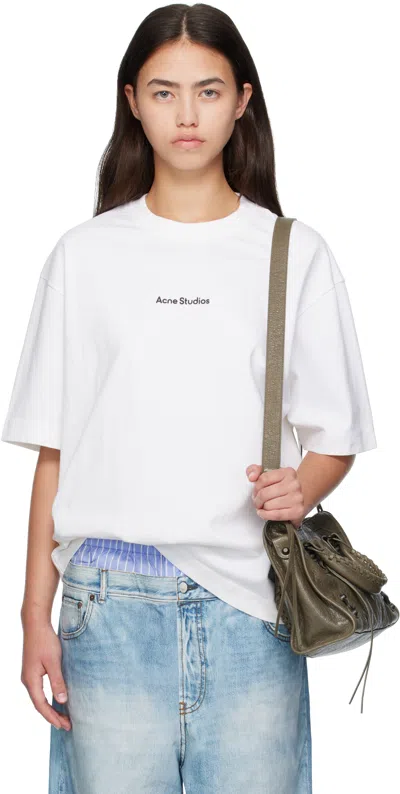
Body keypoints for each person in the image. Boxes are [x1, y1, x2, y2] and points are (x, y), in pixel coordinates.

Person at [1, 4, 377, 793]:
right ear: (132, 101)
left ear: (242, 101)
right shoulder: (84, 256)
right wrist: (34, 615)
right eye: (163, 92)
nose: (186, 114)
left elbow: (335, 435)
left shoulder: (293, 252)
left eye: (207, 91)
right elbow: (55, 453)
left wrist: (301, 486)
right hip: (106, 608)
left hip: (251, 607)